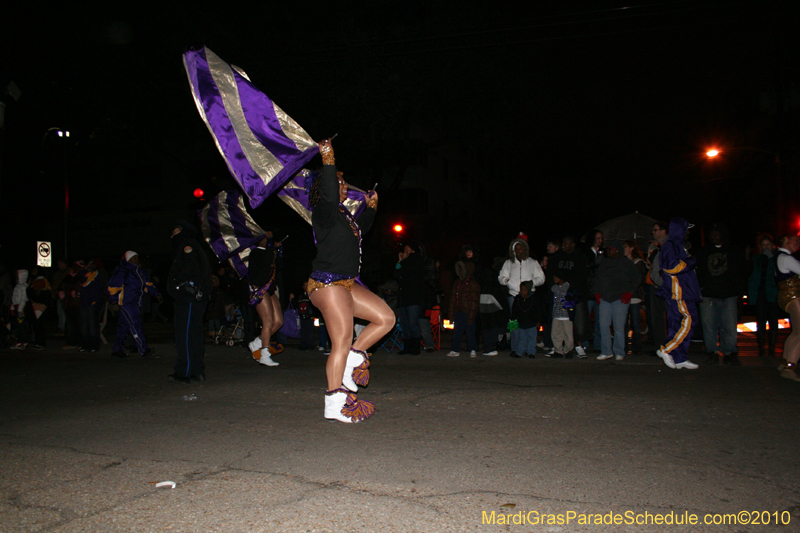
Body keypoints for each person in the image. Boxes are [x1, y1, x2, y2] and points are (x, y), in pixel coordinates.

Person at [308, 139, 395, 423]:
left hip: (345, 283)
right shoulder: (324, 210)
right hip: (326, 283)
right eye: (340, 182)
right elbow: (331, 192)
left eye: (344, 182)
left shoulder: (345, 216)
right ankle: (334, 402)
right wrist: (329, 158)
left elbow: (363, 228)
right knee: (341, 340)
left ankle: (354, 360)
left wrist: (371, 207)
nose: (344, 186)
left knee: (385, 318)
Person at [167, 221, 213, 384]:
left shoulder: (186, 247)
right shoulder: (193, 246)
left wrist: (182, 287)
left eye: (174, 231)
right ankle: (196, 370)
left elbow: (190, 271)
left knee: (185, 334)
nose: (171, 235)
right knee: (194, 334)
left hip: (188, 297)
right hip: (194, 297)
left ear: (181, 231)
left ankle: (184, 371)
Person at [696, 223, 747, 365]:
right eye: (711, 234)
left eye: (716, 233)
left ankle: (729, 352)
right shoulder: (703, 252)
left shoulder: (733, 251)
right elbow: (699, 272)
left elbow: (742, 271)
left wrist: (739, 292)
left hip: (728, 295)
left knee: (729, 325)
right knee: (709, 325)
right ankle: (712, 351)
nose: (713, 236)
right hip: (708, 295)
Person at [655, 218, 701, 370]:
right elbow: (671, 267)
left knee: (677, 323)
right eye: (686, 229)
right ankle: (666, 349)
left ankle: (679, 357)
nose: (688, 232)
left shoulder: (677, 244)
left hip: (682, 290)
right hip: (680, 291)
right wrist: (690, 262)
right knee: (689, 319)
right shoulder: (671, 244)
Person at [106, 252, 160, 358]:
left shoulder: (139, 271)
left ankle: (117, 350)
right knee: (135, 324)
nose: (136, 260)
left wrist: (157, 294)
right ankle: (144, 349)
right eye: (133, 258)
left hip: (136, 302)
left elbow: (147, 285)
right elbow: (112, 287)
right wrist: (114, 302)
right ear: (128, 259)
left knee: (123, 327)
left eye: (137, 258)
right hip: (125, 303)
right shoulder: (123, 270)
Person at [593, 246, 640, 361]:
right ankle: (606, 351)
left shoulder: (626, 263)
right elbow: (595, 278)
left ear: (617, 250)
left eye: (610, 249)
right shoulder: (603, 262)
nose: (608, 252)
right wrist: (596, 293)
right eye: (607, 249)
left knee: (618, 327)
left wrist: (630, 292)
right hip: (605, 298)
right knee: (603, 325)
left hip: (620, 298)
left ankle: (619, 351)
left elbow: (637, 278)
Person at [246, 232, 283, 367]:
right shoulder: (256, 252)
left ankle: (257, 342)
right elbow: (266, 260)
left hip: (270, 289)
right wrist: (271, 242)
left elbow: (278, 266)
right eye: (266, 239)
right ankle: (264, 355)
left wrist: (278, 251)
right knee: (268, 322)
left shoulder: (269, 252)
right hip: (259, 289)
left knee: (278, 321)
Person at [747, 234, 779, 360]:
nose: (766, 247)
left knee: (773, 322)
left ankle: (771, 349)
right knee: (761, 322)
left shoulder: (776, 258)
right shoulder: (756, 259)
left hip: (773, 294)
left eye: (768, 245)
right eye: (763, 245)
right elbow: (751, 276)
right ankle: (762, 349)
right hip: (760, 294)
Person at [774, 234, 800, 382]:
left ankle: (785, 363)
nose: (797, 244)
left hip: (787, 297)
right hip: (793, 297)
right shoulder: (786, 258)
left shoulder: (781, 257)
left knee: (796, 332)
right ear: (786, 240)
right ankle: (789, 368)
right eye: (795, 240)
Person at [498, 233, 545, 310]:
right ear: (513, 250)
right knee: (514, 320)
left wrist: (530, 284)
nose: (518, 251)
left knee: (529, 319)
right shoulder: (508, 263)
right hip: (513, 295)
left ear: (524, 249)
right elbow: (501, 277)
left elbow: (541, 278)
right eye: (516, 249)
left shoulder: (532, 262)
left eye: (520, 248)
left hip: (529, 296)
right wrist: (508, 281)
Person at [394, 242, 426, 355]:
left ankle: (415, 348)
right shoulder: (404, 262)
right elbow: (397, 275)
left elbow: (410, 273)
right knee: (404, 324)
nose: (405, 252)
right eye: (405, 250)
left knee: (413, 323)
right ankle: (406, 347)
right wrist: (399, 261)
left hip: (413, 298)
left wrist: (403, 261)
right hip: (403, 298)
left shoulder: (416, 261)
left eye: (408, 250)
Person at [447, 260, 481, 357]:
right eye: (459, 269)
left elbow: (474, 302)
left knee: (470, 332)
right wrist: (451, 313)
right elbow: (452, 299)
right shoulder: (457, 283)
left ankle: (472, 349)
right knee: (457, 332)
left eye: (462, 269)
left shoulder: (473, 284)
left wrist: (471, 315)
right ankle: (455, 349)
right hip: (458, 312)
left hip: (468, 312)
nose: (460, 271)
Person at [623, 240, 647, 355]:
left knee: (635, 322)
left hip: (635, 296)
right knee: (624, 323)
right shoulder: (623, 262)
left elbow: (638, 281)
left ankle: (637, 346)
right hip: (624, 296)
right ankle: (625, 345)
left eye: (626, 247)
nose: (624, 249)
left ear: (631, 248)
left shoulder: (638, 263)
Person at [78, 259, 105, 353]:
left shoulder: (96, 275)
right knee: (84, 325)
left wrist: (94, 300)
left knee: (92, 325)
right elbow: (82, 283)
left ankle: (94, 345)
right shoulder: (83, 274)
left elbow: (98, 288)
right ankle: (85, 345)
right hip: (84, 302)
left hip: (92, 303)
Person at [549, 270, 577, 358]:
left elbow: (576, 298)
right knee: (555, 333)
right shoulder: (553, 289)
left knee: (568, 334)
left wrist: (571, 299)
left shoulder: (569, 288)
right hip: (556, 314)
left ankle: (568, 350)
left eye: (556, 277)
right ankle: (558, 351)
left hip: (566, 315)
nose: (554, 279)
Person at [509, 281, 537, 358]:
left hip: (531, 322)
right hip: (521, 322)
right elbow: (515, 310)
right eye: (521, 289)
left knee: (531, 338)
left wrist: (538, 320)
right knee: (521, 338)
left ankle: (531, 352)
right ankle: (519, 352)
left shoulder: (533, 298)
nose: (522, 291)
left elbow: (537, 310)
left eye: (524, 289)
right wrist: (513, 319)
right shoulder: (518, 299)